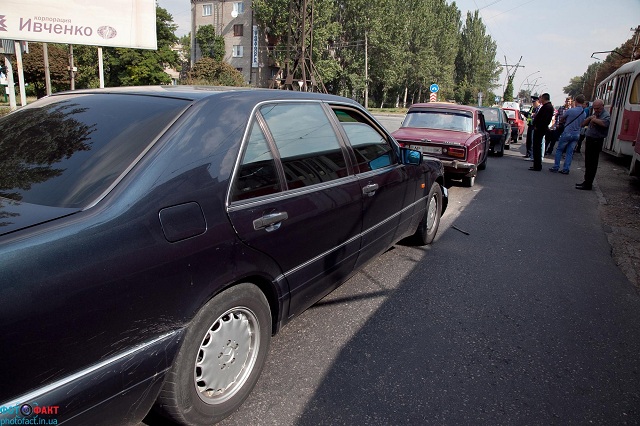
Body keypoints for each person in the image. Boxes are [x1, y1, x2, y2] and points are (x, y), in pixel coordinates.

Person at [576, 99, 611, 190]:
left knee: (592, 163)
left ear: (602, 106)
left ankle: (588, 184)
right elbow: (583, 124)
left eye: (598, 108)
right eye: (594, 108)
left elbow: (605, 124)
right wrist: (590, 118)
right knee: (588, 162)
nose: (596, 110)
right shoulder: (595, 114)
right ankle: (586, 181)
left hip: (596, 141)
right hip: (590, 140)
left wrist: (594, 120)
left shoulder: (605, 115)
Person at [549, 94, 586, 174]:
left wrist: (563, 122)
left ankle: (556, 167)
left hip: (567, 132)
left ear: (575, 101)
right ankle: (566, 169)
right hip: (576, 134)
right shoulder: (583, 113)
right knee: (570, 152)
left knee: (559, 150)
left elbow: (562, 119)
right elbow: (582, 123)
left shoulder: (571, 110)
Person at [529, 93, 554, 171]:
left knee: (537, 147)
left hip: (540, 129)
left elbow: (543, 119)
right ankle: (536, 164)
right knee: (536, 147)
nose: (540, 100)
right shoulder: (546, 107)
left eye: (541, 98)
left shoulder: (547, 107)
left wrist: (537, 126)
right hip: (540, 129)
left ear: (544, 98)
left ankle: (537, 165)